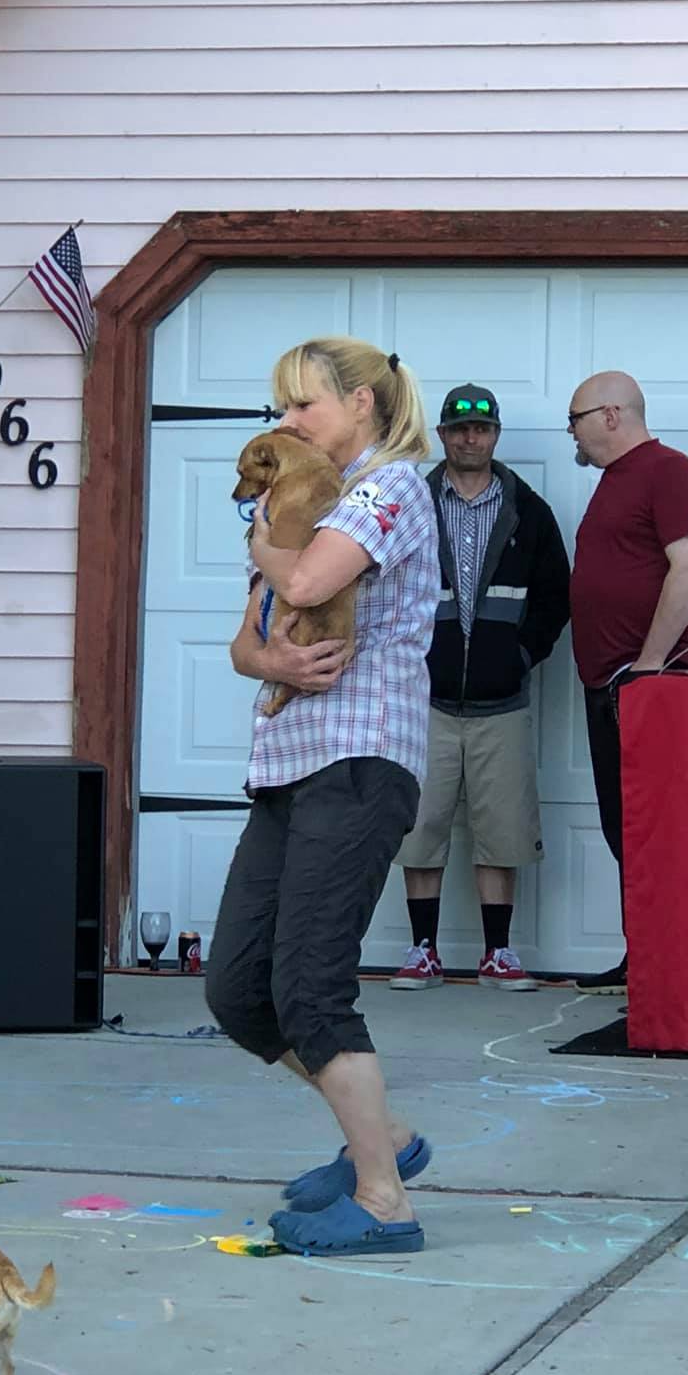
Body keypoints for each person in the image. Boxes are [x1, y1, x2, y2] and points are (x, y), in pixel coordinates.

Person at [204, 337, 439, 1256]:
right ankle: (390, 1140)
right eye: (283, 407)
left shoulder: (390, 489)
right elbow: (245, 642)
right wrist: (272, 659)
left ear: (364, 406)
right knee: (237, 991)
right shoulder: (293, 501)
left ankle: (385, 1202)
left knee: (309, 985)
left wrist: (266, 546)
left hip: (360, 761)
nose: (287, 424)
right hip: (287, 763)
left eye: (304, 405)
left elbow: (301, 581)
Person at [391, 383, 571, 993]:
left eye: (483, 429)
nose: (472, 439)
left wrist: (522, 655)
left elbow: (556, 597)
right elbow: (377, 580)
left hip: (502, 701)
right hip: (424, 701)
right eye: (459, 429)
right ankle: (423, 952)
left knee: (503, 826)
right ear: (441, 435)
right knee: (420, 825)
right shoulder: (411, 501)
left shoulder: (529, 510)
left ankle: (499, 953)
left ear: (496, 435)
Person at [566, 369, 688, 996]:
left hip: (657, 687)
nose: (569, 435)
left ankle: (678, 966)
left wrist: (650, 667)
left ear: (609, 415)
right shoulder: (612, 483)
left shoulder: (667, 470)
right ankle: (646, 960)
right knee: (625, 827)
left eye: (574, 420)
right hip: (612, 685)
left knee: (663, 829)